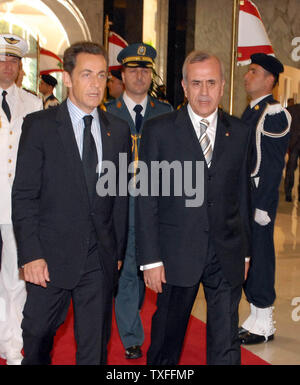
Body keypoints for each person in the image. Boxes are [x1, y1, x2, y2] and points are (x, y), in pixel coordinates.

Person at [11, 41, 131, 365]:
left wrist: (117, 252)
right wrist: (32, 254)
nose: (96, 84)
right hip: (49, 258)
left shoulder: (118, 132)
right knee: (36, 336)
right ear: (67, 78)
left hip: (99, 258)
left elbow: (120, 196)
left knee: (94, 349)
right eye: (87, 74)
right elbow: (24, 195)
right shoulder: (39, 127)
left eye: (102, 76)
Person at [135, 50, 252, 365]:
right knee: (167, 340)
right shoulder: (159, 131)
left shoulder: (240, 132)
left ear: (223, 86)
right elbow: (146, 199)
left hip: (225, 252)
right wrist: (150, 260)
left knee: (226, 339)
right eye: (196, 83)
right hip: (175, 254)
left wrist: (244, 252)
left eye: (211, 83)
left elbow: (243, 196)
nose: (204, 92)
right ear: (184, 87)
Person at [106, 42, 173, 360]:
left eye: (145, 70)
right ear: (122, 74)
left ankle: (165, 331)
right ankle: (132, 336)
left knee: (162, 270)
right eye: (133, 70)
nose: (139, 76)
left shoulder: (166, 112)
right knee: (128, 271)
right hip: (121, 206)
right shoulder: (107, 113)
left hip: (158, 207)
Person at [239, 53, 291, 345]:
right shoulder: (253, 110)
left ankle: (265, 321)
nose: (247, 76)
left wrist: (262, 207)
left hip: (259, 199)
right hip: (247, 198)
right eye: (248, 71)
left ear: (270, 79)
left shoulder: (273, 113)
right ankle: (255, 317)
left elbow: (271, 167)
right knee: (250, 257)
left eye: (254, 71)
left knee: (260, 258)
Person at [0, 33, 42, 365]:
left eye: (13, 60)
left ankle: (13, 346)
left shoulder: (33, 103)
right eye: (2, 59)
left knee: (16, 279)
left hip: (17, 207)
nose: (7, 66)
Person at [284, 102, 300, 202]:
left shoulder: (291, 109)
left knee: (291, 168)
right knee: (291, 168)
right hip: (294, 144)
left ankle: (288, 193)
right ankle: (289, 192)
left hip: (294, 143)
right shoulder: (291, 109)